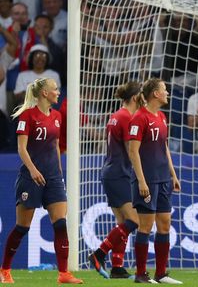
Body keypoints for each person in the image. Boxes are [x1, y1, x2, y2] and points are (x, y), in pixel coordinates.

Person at [0, 78, 82, 284]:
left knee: (61, 223)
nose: (58, 92)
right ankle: (5, 269)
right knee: (22, 227)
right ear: (44, 93)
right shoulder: (27, 116)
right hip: (30, 178)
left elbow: (55, 144)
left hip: (54, 178)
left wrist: (59, 171)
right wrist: (33, 170)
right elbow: (21, 148)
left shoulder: (56, 116)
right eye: (55, 89)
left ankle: (63, 273)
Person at [127, 78, 182, 284]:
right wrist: (141, 181)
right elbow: (133, 152)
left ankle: (161, 273)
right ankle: (141, 274)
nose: (167, 93)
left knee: (165, 224)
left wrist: (173, 174)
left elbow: (164, 147)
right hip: (147, 180)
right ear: (155, 94)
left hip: (163, 179)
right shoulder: (139, 118)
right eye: (164, 90)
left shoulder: (161, 116)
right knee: (146, 226)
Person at [88, 81, 143, 279]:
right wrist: (142, 175)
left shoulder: (115, 116)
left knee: (122, 222)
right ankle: (99, 253)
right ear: (136, 97)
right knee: (134, 220)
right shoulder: (128, 118)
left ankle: (117, 267)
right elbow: (131, 151)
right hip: (119, 173)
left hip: (111, 172)